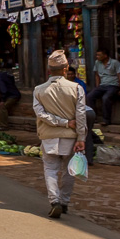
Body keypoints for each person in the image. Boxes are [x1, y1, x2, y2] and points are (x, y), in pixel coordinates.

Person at [34, 50, 87, 218]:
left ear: (49, 70)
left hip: (48, 135)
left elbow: (40, 114)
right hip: (71, 137)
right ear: (65, 69)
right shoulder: (76, 88)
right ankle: (64, 202)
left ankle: (54, 201)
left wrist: (59, 122)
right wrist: (81, 137)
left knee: (50, 168)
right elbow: (81, 115)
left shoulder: (39, 90)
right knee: (69, 171)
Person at [65, 59, 98, 164]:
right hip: (88, 111)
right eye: (68, 74)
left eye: (71, 74)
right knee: (86, 135)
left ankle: (79, 159)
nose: (70, 76)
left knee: (80, 135)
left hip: (83, 112)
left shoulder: (78, 85)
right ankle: (88, 160)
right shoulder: (70, 86)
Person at [86, 48, 120, 127]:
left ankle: (106, 120)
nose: (97, 56)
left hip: (113, 85)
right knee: (89, 96)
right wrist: (97, 86)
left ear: (105, 56)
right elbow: (97, 75)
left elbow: (119, 75)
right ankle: (93, 117)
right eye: (96, 55)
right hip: (102, 85)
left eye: (99, 55)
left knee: (106, 98)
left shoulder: (114, 63)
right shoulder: (97, 63)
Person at [0, 65, 21, 131]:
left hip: (13, 95)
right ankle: (3, 113)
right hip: (8, 93)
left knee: (2, 106)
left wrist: (3, 100)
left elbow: (3, 90)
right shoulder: (0, 75)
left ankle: (3, 125)